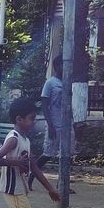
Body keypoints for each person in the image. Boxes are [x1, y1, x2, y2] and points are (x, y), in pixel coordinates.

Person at [28, 54, 75, 189]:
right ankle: (32, 176)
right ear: (57, 66)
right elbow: (44, 104)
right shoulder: (50, 83)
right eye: (63, 65)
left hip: (66, 123)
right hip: (54, 123)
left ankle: (62, 183)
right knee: (48, 153)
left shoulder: (67, 82)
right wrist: (50, 125)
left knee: (66, 154)